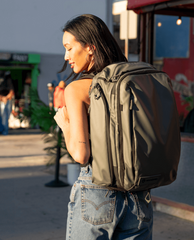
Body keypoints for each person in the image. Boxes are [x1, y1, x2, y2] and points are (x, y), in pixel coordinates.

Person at [54, 14, 153, 240]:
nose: (66, 56)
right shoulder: (133, 82)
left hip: (97, 191)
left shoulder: (78, 88)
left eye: (69, 48)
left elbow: (81, 154)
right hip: (139, 194)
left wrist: (65, 125)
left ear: (90, 47)